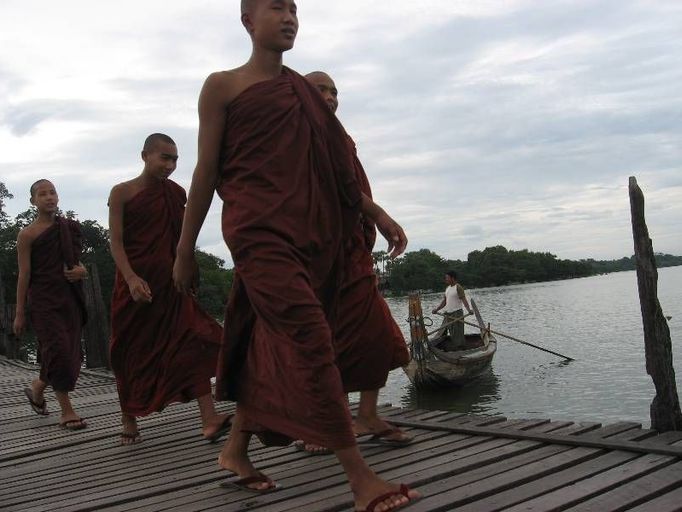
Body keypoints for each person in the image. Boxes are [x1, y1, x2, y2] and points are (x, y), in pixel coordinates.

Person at [172, 1, 420, 510]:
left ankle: (236, 451)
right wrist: (184, 249)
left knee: (269, 343)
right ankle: (359, 477)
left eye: (295, 10)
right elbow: (205, 172)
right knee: (311, 335)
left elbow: (340, 173)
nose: (288, 18)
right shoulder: (222, 85)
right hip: (258, 234)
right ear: (247, 20)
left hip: (315, 238)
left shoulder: (304, 94)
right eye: (275, 8)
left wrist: (376, 213)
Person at [294, 71, 411, 454]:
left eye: (334, 91)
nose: (330, 97)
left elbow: (348, 184)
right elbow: (333, 187)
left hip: (351, 249)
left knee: (376, 333)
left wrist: (371, 221)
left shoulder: (338, 137)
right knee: (327, 336)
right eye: (320, 90)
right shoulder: (297, 136)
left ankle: (367, 415)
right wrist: (380, 214)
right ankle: (334, 422)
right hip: (318, 249)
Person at [108, 133, 230, 445]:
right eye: (164, 157)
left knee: (191, 341)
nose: (171, 165)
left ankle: (209, 418)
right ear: (144, 155)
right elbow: (117, 244)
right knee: (129, 352)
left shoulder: (175, 193)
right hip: (135, 285)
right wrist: (132, 279)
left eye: (175, 159)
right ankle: (128, 417)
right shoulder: (122, 193)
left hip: (171, 282)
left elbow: (181, 241)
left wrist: (191, 274)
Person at [14, 179, 88, 430]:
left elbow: (78, 264)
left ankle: (37, 388)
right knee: (58, 351)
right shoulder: (27, 235)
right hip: (44, 301)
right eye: (42, 194)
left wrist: (82, 271)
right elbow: (24, 275)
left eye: (52, 192)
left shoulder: (69, 228)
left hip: (69, 299)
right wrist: (19, 312)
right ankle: (67, 411)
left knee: (68, 352)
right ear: (33, 201)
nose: (49, 197)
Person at [432, 271, 473, 351]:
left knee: (457, 333)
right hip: (448, 314)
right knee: (448, 331)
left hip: (457, 314)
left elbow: (464, 300)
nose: (446, 279)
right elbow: (444, 302)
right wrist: (436, 309)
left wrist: (469, 310)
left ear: (452, 278)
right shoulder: (448, 288)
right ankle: (452, 347)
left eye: (447, 278)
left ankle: (460, 348)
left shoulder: (458, 287)